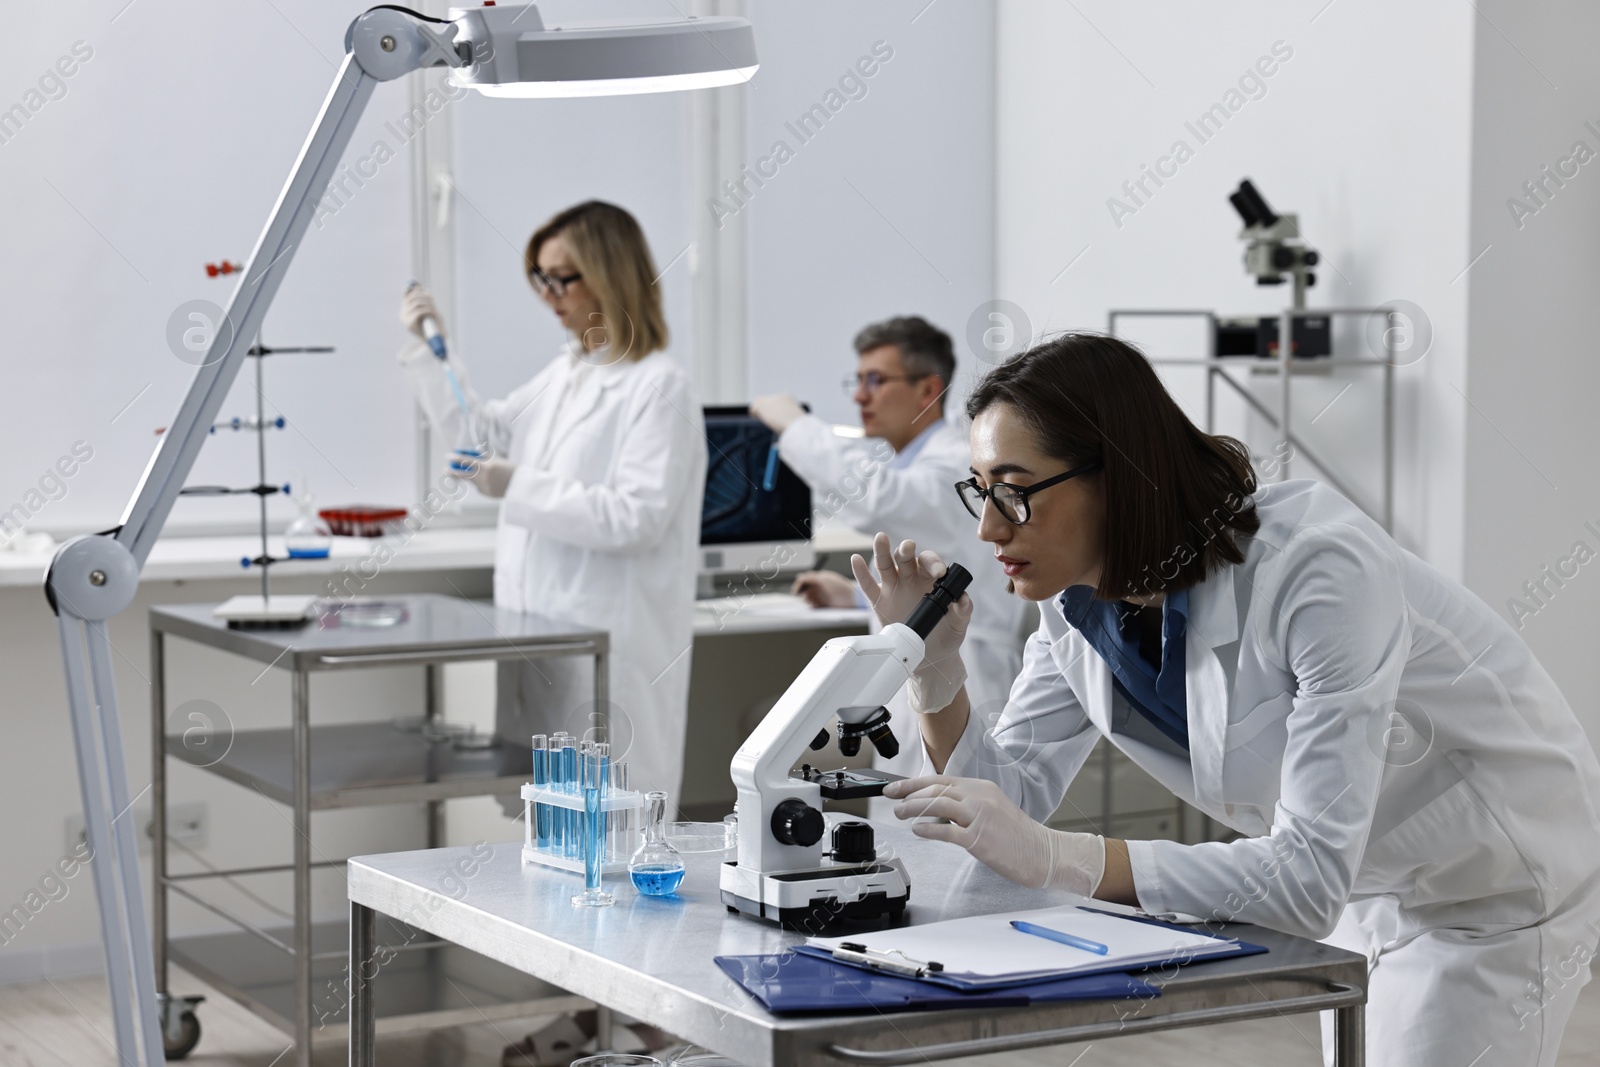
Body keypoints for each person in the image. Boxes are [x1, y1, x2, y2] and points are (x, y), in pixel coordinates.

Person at [858, 332, 1600, 1067]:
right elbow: (1009, 798)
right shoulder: (1074, 605)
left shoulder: (1319, 570)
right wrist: (935, 668)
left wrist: (1065, 858)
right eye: (981, 492)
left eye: (1014, 493)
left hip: (1491, 882)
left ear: (1118, 474)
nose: (987, 528)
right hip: (1361, 878)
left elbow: (1306, 878)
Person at [398, 200, 705, 812]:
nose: (549, 294)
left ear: (612, 273)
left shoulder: (658, 385)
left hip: (609, 643)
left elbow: (635, 518)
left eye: (563, 278)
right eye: (541, 278)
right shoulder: (564, 374)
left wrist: (517, 485)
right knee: (554, 822)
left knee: (614, 821)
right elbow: (478, 439)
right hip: (544, 636)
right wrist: (435, 355)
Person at [749, 316, 1026, 789]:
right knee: (905, 819)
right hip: (917, 667)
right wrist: (857, 599)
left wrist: (796, 426)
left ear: (926, 390)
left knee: (955, 825)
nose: (859, 396)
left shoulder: (956, 463)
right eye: (856, 381)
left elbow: (882, 498)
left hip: (969, 674)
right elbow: (932, 571)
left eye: (875, 380)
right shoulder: (911, 464)